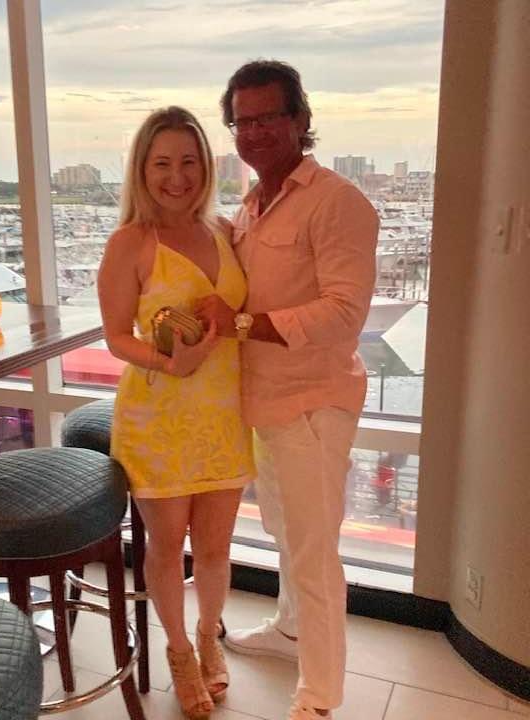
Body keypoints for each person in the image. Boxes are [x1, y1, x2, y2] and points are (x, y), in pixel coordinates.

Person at [196, 60, 379, 720]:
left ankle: (319, 697)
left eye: (268, 117)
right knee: (283, 530)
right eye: (242, 121)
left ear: (301, 119)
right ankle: (291, 631)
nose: (254, 132)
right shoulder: (251, 206)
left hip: (312, 404)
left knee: (313, 552)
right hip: (262, 403)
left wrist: (242, 324)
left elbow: (344, 313)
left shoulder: (337, 202)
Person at [97, 106, 255, 720]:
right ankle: (178, 651)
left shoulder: (224, 231)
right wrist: (169, 363)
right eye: (162, 163)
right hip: (158, 419)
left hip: (223, 416)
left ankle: (209, 636)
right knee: (167, 546)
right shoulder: (130, 242)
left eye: (189, 161)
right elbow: (116, 336)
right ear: (142, 170)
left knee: (215, 547)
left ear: (206, 167)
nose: (177, 176)